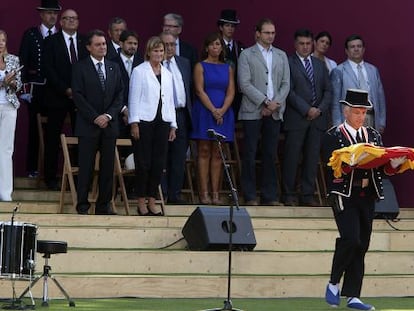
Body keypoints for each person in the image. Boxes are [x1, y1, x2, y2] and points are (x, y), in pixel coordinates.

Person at [322, 89, 404, 311]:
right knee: (351, 239)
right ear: (346, 111)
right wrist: (354, 161)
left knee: (362, 243)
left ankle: (353, 295)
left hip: (367, 194)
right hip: (343, 194)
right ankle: (333, 281)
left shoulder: (373, 136)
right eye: (357, 112)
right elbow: (332, 168)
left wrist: (394, 164)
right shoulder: (333, 135)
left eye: (364, 112)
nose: (361, 116)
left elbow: (382, 168)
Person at [238, 18, 290, 206]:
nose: (270, 36)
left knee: (270, 153)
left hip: (275, 111)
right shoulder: (247, 55)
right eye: (267, 32)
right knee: (250, 153)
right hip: (253, 110)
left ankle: (270, 195)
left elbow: (285, 83)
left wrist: (275, 103)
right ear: (257, 33)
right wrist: (265, 102)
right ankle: (250, 195)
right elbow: (244, 84)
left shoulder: (281, 55)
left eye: (273, 32)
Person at [72, 29, 124, 215]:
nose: (102, 47)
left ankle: (104, 206)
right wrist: (95, 117)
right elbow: (78, 96)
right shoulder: (80, 67)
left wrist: (108, 116)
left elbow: (120, 95)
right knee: (85, 167)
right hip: (88, 126)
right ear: (89, 47)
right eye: (98, 44)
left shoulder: (114, 66)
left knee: (107, 168)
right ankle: (83, 206)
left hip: (109, 126)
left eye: (104, 44)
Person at [282, 29, 332, 206]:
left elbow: (328, 90)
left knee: (311, 159)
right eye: (301, 43)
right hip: (297, 117)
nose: (305, 47)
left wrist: (318, 109)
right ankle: (288, 194)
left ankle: (307, 195)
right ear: (295, 44)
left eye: (308, 43)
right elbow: (288, 90)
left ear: (312, 44)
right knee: (292, 157)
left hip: (317, 120)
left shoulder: (319, 64)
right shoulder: (288, 62)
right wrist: (306, 109)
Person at [128, 36, 177, 216]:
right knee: (143, 162)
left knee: (158, 163)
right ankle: (140, 200)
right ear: (148, 52)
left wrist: (173, 125)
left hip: (162, 122)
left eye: (161, 51)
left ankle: (152, 200)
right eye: (155, 51)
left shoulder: (168, 74)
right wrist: (134, 122)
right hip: (144, 122)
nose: (158, 54)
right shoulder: (140, 71)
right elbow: (133, 98)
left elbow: (170, 101)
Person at [42, 9, 88, 190]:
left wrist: (78, 92)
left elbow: (88, 69)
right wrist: (65, 89)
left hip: (81, 99)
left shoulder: (85, 42)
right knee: (53, 139)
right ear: (61, 22)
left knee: (82, 138)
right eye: (67, 18)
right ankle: (51, 179)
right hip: (56, 97)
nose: (71, 21)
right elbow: (48, 69)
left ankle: (78, 179)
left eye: (74, 18)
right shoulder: (51, 41)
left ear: (78, 21)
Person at [190, 32, 235, 205]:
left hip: (223, 113)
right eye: (213, 44)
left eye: (219, 45)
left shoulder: (227, 67)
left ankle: (216, 194)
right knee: (204, 150)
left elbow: (231, 91)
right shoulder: (200, 66)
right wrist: (213, 110)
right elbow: (199, 90)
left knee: (218, 153)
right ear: (207, 47)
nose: (216, 47)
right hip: (205, 111)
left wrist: (222, 110)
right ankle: (204, 193)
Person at [19, 0, 61, 178]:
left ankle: (52, 171)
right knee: (34, 130)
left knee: (54, 131)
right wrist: (23, 89)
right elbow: (22, 62)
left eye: (55, 13)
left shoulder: (61, 36)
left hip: (56, 90)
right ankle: (32, 169)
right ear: (41, 14)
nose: (52, 16)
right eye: (49, 12)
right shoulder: (31, 35)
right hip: (36, 88)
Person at [160, 32, 192, 204]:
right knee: (162, 155)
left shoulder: (184, 63)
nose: (170, 48)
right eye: (166, 44)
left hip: (181, 114)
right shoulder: (154, 64)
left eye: (173, 44)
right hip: (162, 115)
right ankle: (162, 192)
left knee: (179, 156)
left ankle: (175, 194)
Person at [331, 34, 386, 133]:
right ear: (346, 51)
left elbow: (380, 97)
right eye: (352, 47)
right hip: (349, 120)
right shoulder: (339, 71)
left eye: (359, 46)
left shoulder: (373, 70)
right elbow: (335, 101)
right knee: (352, 148)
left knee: (371, 148)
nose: (356, 49)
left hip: (370, 118)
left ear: (363, 49)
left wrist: (381, 121)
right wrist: (337, 124)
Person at [0, 30, 22, 201]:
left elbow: (19, 84)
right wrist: (3, 81)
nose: (1, 43)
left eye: (3, 40)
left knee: (6, 150)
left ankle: (5, 193)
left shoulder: (13, 59)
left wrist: (13, 83)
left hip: (9, 106)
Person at [217, 9, 244, 118]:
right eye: (227, 25)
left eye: (233, 26)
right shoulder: (215, 46)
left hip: (236, 92)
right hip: (220, 91)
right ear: (221, 27)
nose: (230, 29)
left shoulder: (240, 47)